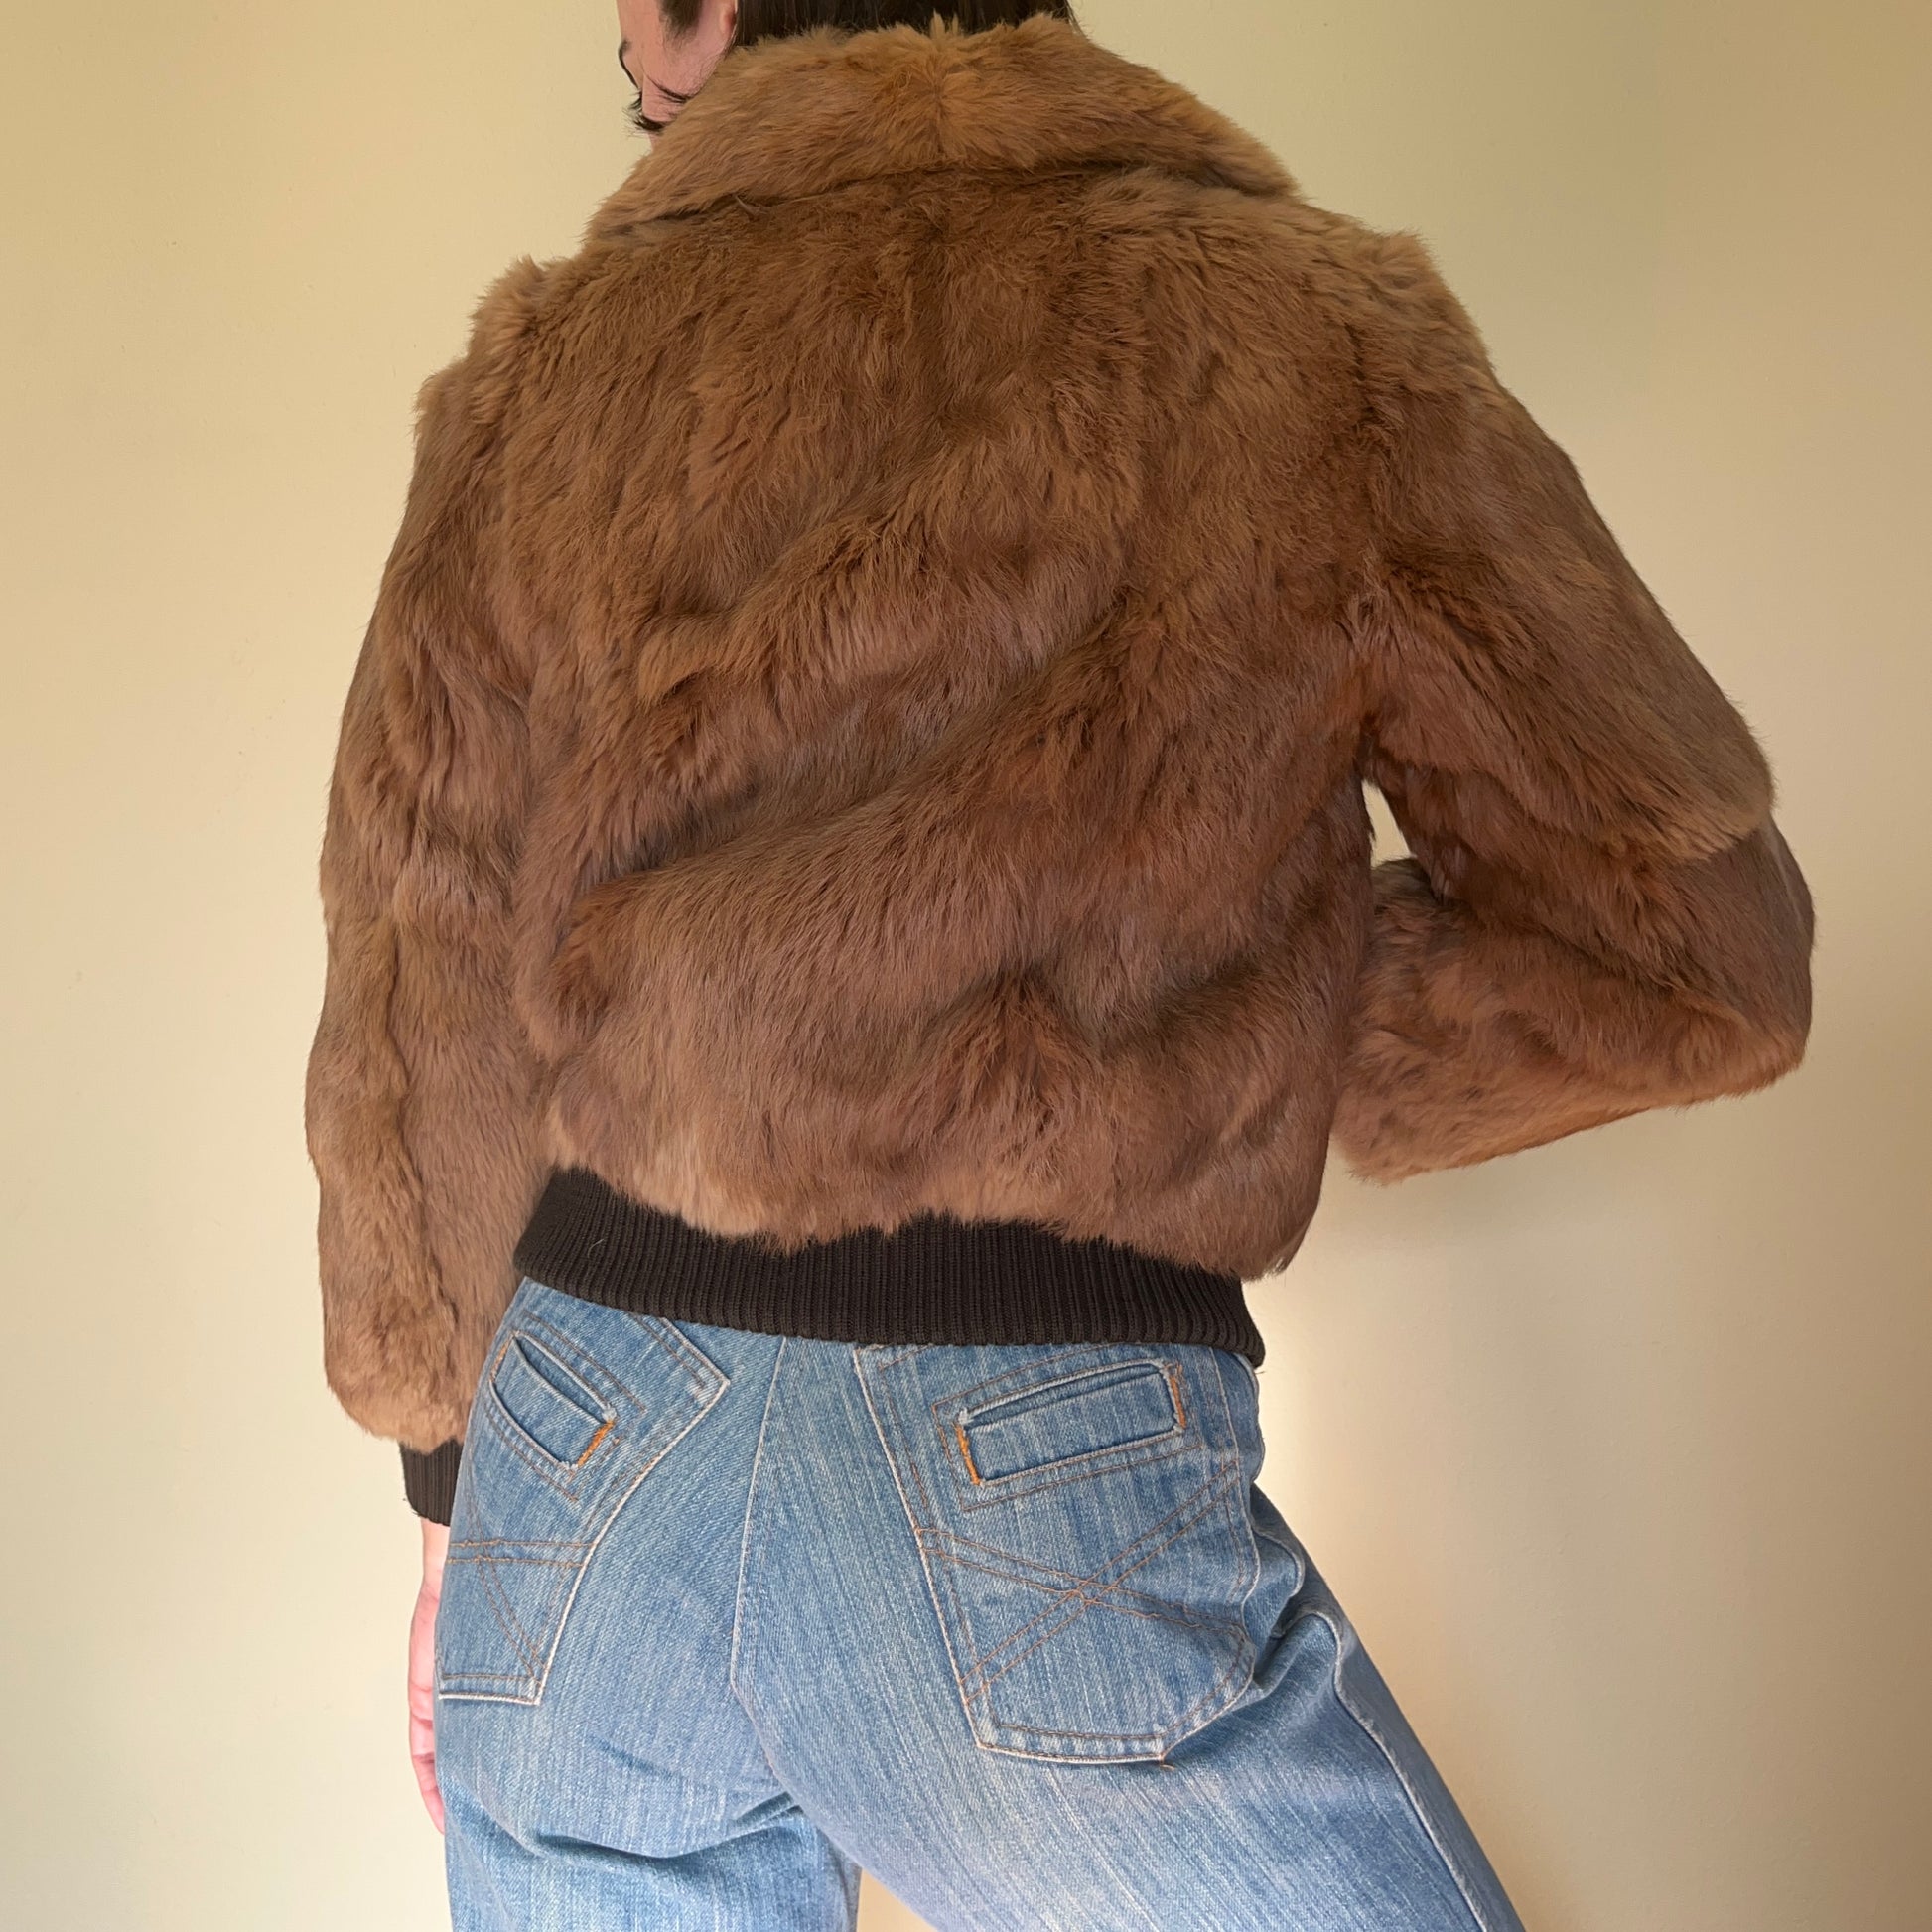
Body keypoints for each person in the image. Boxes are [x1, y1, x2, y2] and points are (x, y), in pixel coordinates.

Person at [301, 2, 1815, 1925]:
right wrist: (1228, 1022)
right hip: (1017, 1458)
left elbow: (416, 959)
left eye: (643, 78)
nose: (657, 123)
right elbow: (1692, 952)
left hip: (577, 1468)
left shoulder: (543, 372)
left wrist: (457, 1503)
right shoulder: (1320, 341)